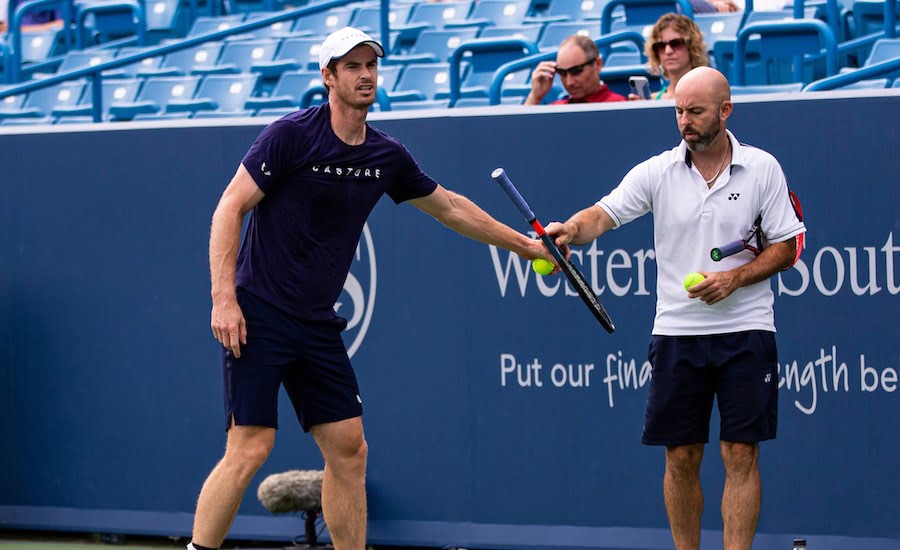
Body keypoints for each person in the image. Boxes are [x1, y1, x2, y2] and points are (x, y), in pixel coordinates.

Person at [189, 26, 552, 550]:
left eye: (370, 65)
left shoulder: (386, 155)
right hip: (260, 311)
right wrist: (224, 299)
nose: (365, 75)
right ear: (328, 76)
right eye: (352, 66)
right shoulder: (289, 136)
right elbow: (230, 207)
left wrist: (525, 246)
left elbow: (449, 207)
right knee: (249, 448)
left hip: (316, 321)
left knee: (349, 449)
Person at [544, 67, 806, 550]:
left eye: (696, 111)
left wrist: (734, 278)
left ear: (725, 111)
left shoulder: (763, 168)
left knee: (740, 454)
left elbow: (788, 247)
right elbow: (602, 215)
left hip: (746, 329)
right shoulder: (657, 171)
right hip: (676, 334)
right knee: (681, 457)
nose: (685, 121)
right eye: (679, 111)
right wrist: (570, 230)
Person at [524, 34, 626, 105]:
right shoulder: (557, 109)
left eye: (576, 71)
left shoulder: (621, 107)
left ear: (598, 64)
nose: (569, 82)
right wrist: (535, 96)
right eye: (562, 73)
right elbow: (518, 134)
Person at [631, 14, 710, 101]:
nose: (668, 51)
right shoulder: (651, 101)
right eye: (660, 46)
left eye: (676, 43)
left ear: (692, 46)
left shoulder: (708, 97)